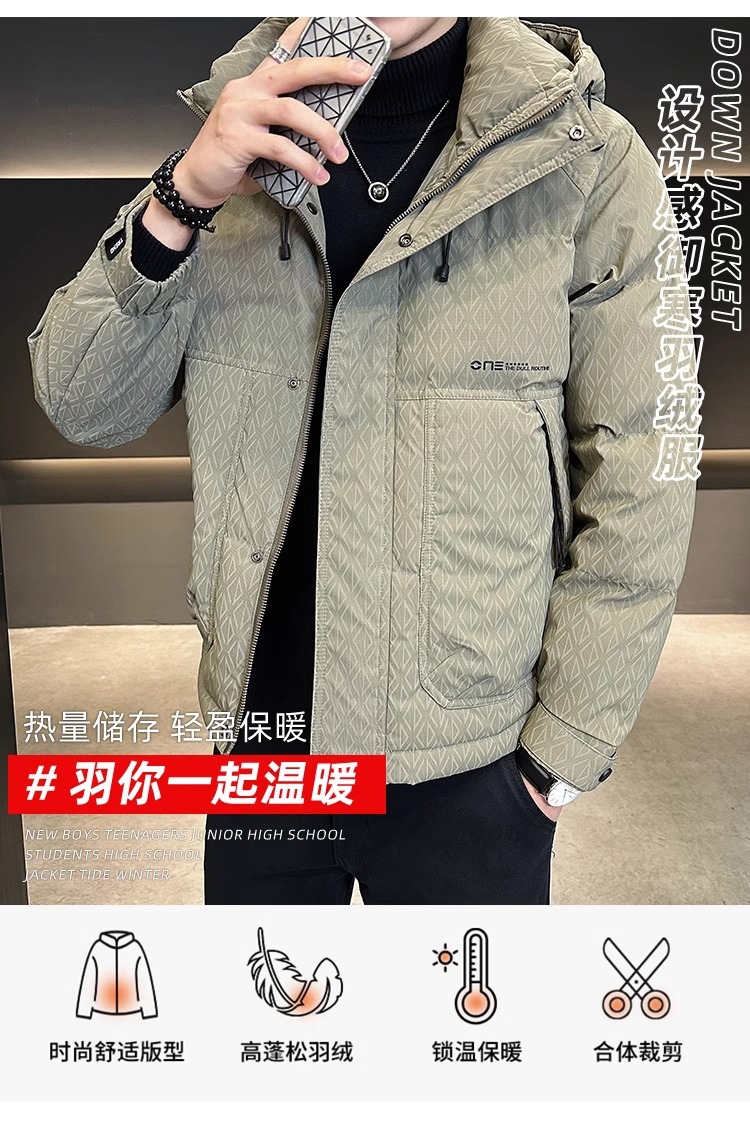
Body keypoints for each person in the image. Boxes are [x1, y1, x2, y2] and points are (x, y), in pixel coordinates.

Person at [28, 16, 697, 905]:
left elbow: (644, 469)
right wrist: (182, 196)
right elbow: (81, 402)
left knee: (464, 1002)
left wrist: (560, 755)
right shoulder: (230, 148)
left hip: (473, 766)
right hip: (261, 750)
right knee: (270, 997)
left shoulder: (585, 161)